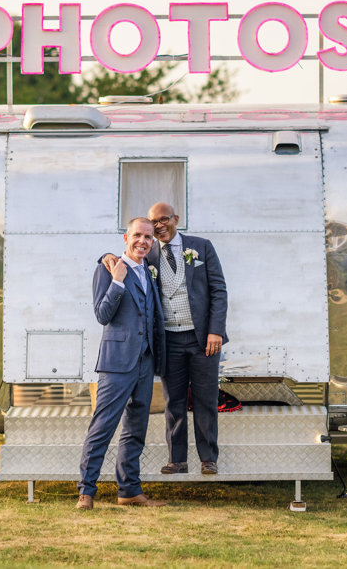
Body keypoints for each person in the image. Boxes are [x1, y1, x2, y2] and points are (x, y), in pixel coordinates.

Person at [76, 217, 167, 510]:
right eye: (137, 235)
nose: (143, 241)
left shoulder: (149, 272)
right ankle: (86, 492)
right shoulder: (107, 269)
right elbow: (102, 315)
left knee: (135, 429)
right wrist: (116, 279)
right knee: (102, 426)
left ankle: (129, 490)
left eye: (148, 238)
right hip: (116, 363)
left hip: (145, 363)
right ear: (126, 237)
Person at [145, 202, 228, 476]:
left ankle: (208, 458)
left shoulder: (201, 246)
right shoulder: (149, 254)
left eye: (163, 219)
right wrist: (106, 257)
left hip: (203, 338)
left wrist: (215, 330)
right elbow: (123, 258)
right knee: (174, 402)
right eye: (153, 222)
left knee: (206, 399)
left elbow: (218, 290)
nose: (159, 226)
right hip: (169, 340)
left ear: (176, 219)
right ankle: (177, 459)